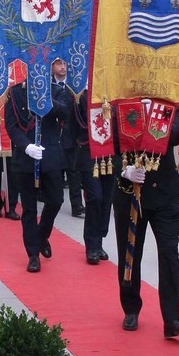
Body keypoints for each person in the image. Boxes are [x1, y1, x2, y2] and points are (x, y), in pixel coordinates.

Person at [112, 109, 179, 338]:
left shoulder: (169, 104)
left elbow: (178, 133)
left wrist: (150, 117)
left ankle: (172, 318)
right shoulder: (121, 104)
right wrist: (124, 170)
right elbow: (107, 142)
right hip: (130, 193)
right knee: (130, 254)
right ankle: (131, 308)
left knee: (169, 254)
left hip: (165, 193)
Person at [4, 69, 72, 273]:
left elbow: (65, 112)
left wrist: (45, 97)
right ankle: (33, 254)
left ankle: (42, 235)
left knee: (56, 200)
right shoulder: (16, 92)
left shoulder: (56, 90)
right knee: (30, 209)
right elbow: (12, 125)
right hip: (26, 157)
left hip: (50, 155)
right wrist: (26, 146)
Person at [76, 89, 114, 265]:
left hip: (110, 155)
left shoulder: (115, 95)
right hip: (90, 152)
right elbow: (78, 123)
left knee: (106, 199)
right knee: (95, 198)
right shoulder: (82, 94)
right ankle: (91, 245)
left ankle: (99, 241)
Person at [52, 58, 86, 217]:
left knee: (74, 172)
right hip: (52, 134)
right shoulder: (46, 84)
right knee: (54, 172)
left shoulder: (74, 85)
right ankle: (53, 201)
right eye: (59, 64)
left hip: (70, 134)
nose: (63, 67)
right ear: (52, 67)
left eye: (65, 64)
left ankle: (77, 206)